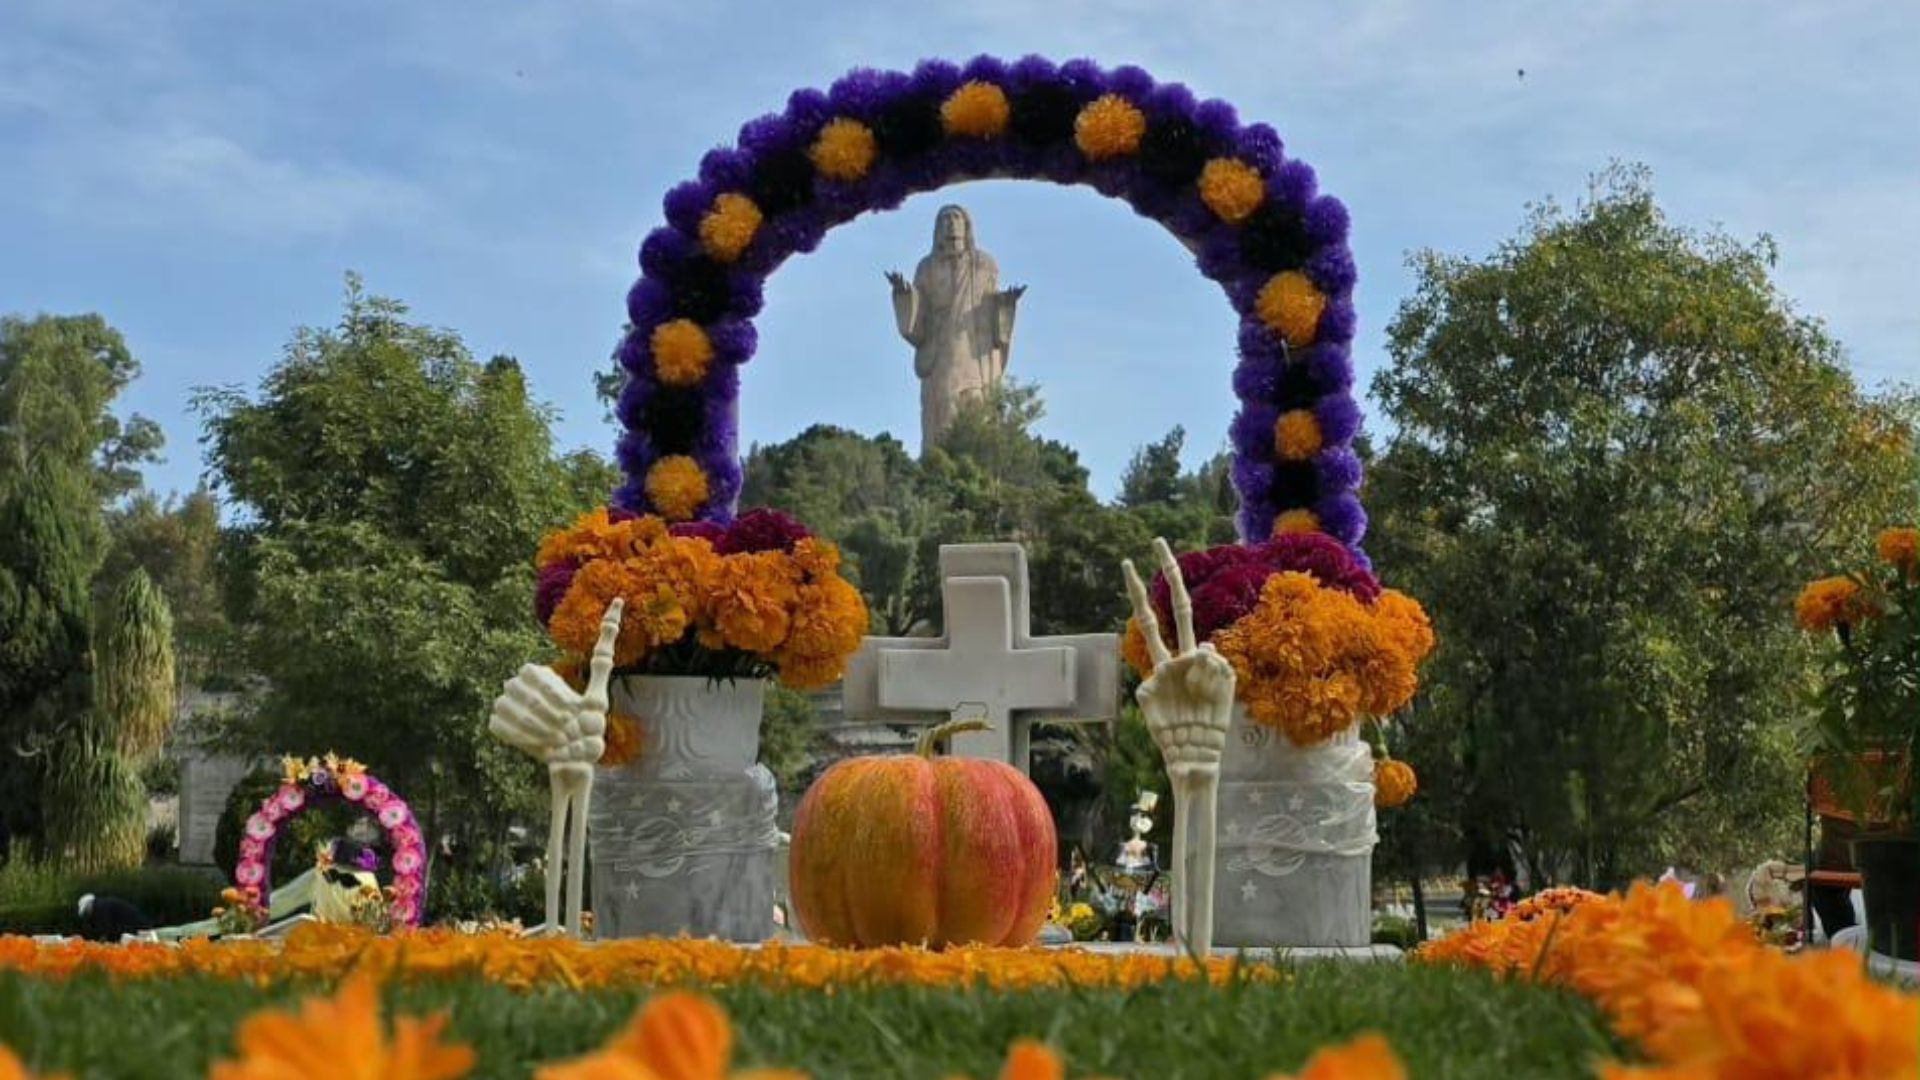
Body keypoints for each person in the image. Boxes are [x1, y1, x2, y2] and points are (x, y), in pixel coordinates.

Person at [76, 893, 153, 941]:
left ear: (90, 905)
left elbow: (107, 928)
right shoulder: (103, 904)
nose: (88, 914)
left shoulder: (100, 907)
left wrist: (103, 941)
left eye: (86, 911)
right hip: (138, 925)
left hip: (136, 928)